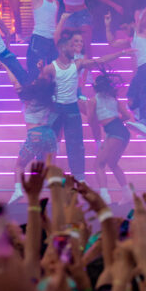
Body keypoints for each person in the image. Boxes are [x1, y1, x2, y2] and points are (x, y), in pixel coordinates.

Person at [39, 32, 128, 182]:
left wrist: (122, 53)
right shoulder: (51, 68)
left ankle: (79, 178)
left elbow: (100, 61)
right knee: (49, 145)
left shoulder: (78, 64)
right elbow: (40, 86)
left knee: (76, 145)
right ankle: (49, 177)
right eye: (70, 46)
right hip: (57, 109)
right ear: (62, 48)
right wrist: (41, 72)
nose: (74, 48)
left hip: (72, 108)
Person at [107, 0, 146, 137]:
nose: (125, 31)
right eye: (123, 29)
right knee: (131, 98)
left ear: (132, 24)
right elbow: (112, 43)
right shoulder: (131, 40)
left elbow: (145, 15)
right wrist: (107, 25)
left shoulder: (141, 30)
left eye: (126, 28)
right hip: (141, 70)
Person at [86, 69, 138, 203]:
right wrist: (113, 120)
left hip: (114, 132)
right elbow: (126, 116)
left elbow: (90, 120)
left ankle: (105, 197)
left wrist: (101, 121)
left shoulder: (93, 101)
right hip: (123, 132)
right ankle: (127, 194)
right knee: (112, 163)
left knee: (98, 165)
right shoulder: (114, 100)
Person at [7, 79, 57, 204]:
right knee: (50, 167)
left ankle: (18, 191)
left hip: (35, 135)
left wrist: (7, 69)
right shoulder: (49, 102)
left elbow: (16, 83)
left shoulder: (28, 102)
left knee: (19, 165)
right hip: (50, 135)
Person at [57, 0, 123, 58]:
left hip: (82, 15)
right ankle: (70, 64)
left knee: (86, 44)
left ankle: (89, 65)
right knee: (67, 42)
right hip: (69, 16)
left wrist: (115, 6)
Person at [25, 0, 59, 83]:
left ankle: (49, 93)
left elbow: (54, 22)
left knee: (52, 72)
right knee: (35, 71)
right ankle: (33, 93)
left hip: (52, 40)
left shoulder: (55, 2)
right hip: (39, 38)